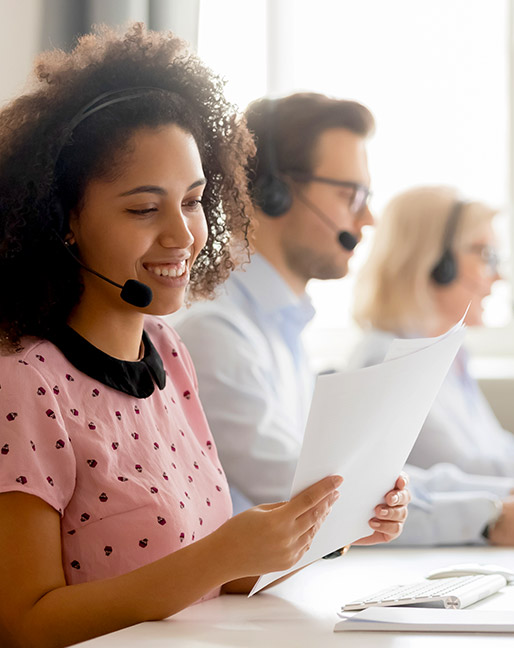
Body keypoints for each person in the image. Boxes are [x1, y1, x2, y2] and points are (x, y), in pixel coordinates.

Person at [0, 27, 409, 648]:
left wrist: (324, 529)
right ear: (63, 223)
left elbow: (201, 577)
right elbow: (24, 624)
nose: (183, 235)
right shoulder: (24, 382)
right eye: (143, 209)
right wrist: (220, 556)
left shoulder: (167, 351)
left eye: (192, 202)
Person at [176, 96, 514, 548]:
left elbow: (364, 480)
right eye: (349, 195)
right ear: (272, 195)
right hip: (244, 603)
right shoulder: (217, 334)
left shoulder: (282, 334)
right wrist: (488, 516)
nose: (368, 218)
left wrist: (504, 499)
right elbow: (308, 496)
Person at [350, 185, 514, 543]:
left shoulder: (447, 354)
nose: (497, 277)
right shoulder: (387, 360)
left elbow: (504, 452)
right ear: (437, 262)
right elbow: (471, 469)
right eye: (486, 256)